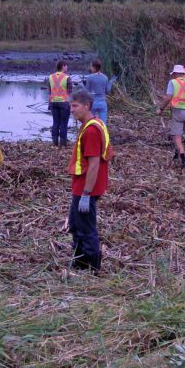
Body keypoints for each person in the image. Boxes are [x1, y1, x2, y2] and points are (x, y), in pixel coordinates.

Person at [67, 90, 112, 273]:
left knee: (86, 229)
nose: (71, 110)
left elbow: (93, 165)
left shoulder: (91, 130)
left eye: (75, 106)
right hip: (84, 186)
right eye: (71, 106)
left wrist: (86, 194)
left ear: (87, 106)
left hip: (86, 188)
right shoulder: (93, 124)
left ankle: (92, 268)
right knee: (75, 225)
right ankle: (80, 264)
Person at [155, 64, 185, 169]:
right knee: (180, 135)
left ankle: (184, 160)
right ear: (183, 74)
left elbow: (168, 98)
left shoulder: (172, 82)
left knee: (176, 137)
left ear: (175, 73)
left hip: (177, 112)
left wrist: (160, 109)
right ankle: (176, 155)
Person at [47, 60, 72, 146]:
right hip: (64, 102)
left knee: (55, 122)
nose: (67, 67)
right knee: (64, 123)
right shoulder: (67, 77)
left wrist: (49, 104)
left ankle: (54, 143)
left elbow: (49, 91)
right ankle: (63, 143)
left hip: (53, 102)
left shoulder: (50, 77)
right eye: (66, 66)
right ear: (63, 66)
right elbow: (70, 92)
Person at [83, 59, 115, 125]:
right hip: (102, 103)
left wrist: (81, 85)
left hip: (93, 103)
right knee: (103, 124)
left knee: (90, 122)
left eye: (91, 66)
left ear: (94, 67)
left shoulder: (89, 78)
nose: (90, 68)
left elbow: (87, 92)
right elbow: (108, 91)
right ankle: (103, 135)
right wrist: (111, 82)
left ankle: (92, 134)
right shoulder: (105, 77)